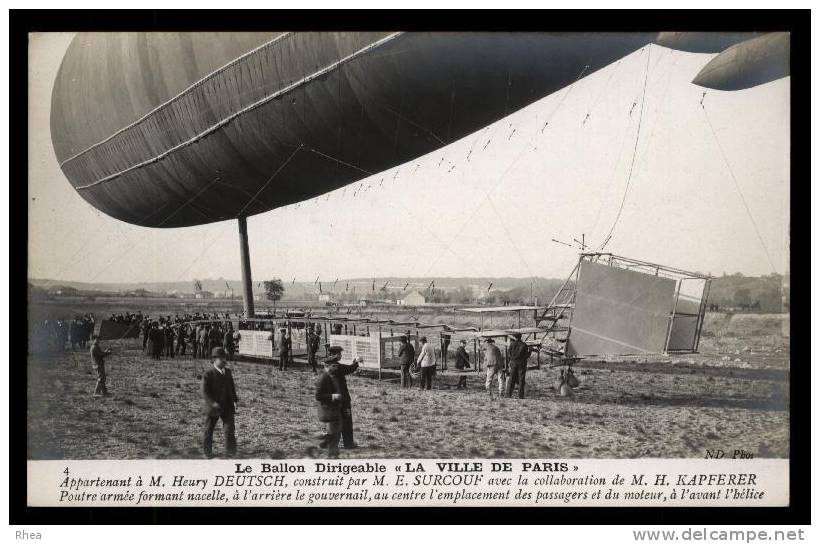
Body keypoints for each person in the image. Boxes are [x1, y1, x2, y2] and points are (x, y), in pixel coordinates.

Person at [315, 347, 359, 458]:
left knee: (329, 422)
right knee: (346, 421)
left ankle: (325, 442)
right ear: (335, 355)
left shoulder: (330, 368)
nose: (340, 355)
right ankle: (348, 443)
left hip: (332, 402)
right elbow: (348, 369)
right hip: (341, 399)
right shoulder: (336, 367)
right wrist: (356, 363)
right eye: (339, 353)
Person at [201, 347, 239, 458]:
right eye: (221, 358)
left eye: (225, 358)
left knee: (230, 429)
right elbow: (204, 392)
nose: (224, 360)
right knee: (209, 430)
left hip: (227, 406)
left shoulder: (228, 372)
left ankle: (230, 452)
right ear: (214, 359)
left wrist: (235, 400)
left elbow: (231, 387)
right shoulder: (208, 374)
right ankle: (208, 453)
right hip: (213, 407)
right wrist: (212, 403)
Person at [506, 333, 530, 398]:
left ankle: (508, 394)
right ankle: (520, 396)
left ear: (515, 337)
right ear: (520, 337)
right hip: (522, 363)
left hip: (513, 363)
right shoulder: (524, 345)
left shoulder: (512, 344)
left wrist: (512, 359)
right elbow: (526, 355)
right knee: (521, 379)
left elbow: (509, 354)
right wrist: (530, 351)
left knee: (511, 379)